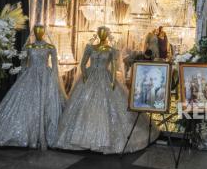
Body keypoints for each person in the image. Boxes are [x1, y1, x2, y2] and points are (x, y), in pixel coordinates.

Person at [55, 26, 158, 154]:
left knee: (108, 107)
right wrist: (85, 76)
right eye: (100, 33)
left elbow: (114, 67)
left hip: (105, 77)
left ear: (107, 35)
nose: (102, 34)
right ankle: (81, 138)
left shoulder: (111, 50)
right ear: (98, 34)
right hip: (89, 77)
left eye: (104, 33)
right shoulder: (90, 48)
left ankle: (102, 139)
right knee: (84, 106)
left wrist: (114, 81)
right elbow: (82, 64)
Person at [0, 25, 64, 150]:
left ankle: (44, 133)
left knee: (46, 104)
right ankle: (22, 133)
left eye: (41, 31)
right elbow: (23, 65)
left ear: (44, 33)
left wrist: (53, 80)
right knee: (26, 103)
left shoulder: (50, 47)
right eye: (36, 31)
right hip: (30, 76)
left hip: (46, 77)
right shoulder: (28, 47)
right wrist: (21, 80)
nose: (38, 33)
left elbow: (55, 66)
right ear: (34, 33)